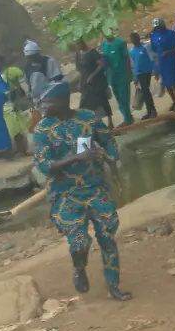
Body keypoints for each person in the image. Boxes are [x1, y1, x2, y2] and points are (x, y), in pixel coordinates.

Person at [32, 81, 132, 302]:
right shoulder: (42, 130)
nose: (42, 105)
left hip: (95, 188)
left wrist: (109, 156)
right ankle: (79, 268)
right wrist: (76, 157)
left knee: (107, 237)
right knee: (79, 243)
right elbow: (44, 166)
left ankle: (113, 285)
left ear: (62, 101)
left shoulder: (88, 118)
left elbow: (109, 142)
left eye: (47, 101)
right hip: (65, 194)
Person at [23, 40, 63, 132]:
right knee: (43, 125)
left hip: (51, 98)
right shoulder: (27, 67)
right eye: (29, 57)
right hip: (37, 101)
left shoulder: (48, 62)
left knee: (55, 122)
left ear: (38, 53)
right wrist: (29, 95)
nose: (31, 59)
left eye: (33, 56)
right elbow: (28, 83)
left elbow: (57, 79)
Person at [75, 39, 114, 129]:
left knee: (103, 101)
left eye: (78, 45)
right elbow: (78, 68)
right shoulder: (79, 54)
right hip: (86, 83)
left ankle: (110, 122)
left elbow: (101, 65)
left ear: (82, 43)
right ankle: (91, 124)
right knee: (85, 104)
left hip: (97, 81)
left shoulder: (92, 52)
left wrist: (92, 76)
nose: (77, 47)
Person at [149, 18, 175, 112]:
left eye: (159, 27)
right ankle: (174, 101)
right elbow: (153, 49)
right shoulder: (154, 35)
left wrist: (167, 51)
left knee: (173, 82)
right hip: (161, 62)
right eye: (156, 28)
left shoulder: (170, 33)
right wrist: (155, 65)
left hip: (170, 60)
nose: (158, 29)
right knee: (166, 82)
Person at [100, 33, 134, 126]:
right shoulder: (103, 45)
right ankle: (128, 117)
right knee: (118, 99)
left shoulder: (120, 42)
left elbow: (127, 58)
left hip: (122, 74)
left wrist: (129, 72)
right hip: (112, 76)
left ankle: (127, 119)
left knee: (124, 98)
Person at [1, 64, 33, 156]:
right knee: (14, 130)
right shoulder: (5, 82)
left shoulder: (9, 80)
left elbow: (19, 94)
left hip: (11, 109)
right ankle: (18, 150)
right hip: (8, 109)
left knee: (18, 130)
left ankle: (21, 150)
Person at [128, 32, 158, 119]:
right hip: (139, 74)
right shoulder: (132, 50)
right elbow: (134, 64)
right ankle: (150, 111)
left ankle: (152, 111)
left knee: (146, 92)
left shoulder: (145, 47)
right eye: (132, 40)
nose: (134, 42)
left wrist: (155, 71)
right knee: (145, 92)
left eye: (135, 40)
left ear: (138, 39)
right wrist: (135, 77)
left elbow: (152, 59)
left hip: (147, 72)